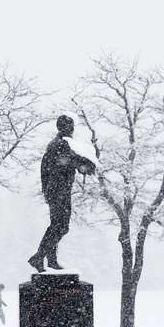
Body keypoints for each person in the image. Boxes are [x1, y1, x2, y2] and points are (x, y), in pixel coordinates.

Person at [28, 113, 97, 273]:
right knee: (62, 227)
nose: (72, 129)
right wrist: (91, 158)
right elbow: (80, 164)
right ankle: (39, 256)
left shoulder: (55, 144)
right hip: (60, 192)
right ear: (66, 127)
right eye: (71, 126)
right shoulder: (62, 145)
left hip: (54, 191)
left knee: (56, 225)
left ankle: (50, 260)